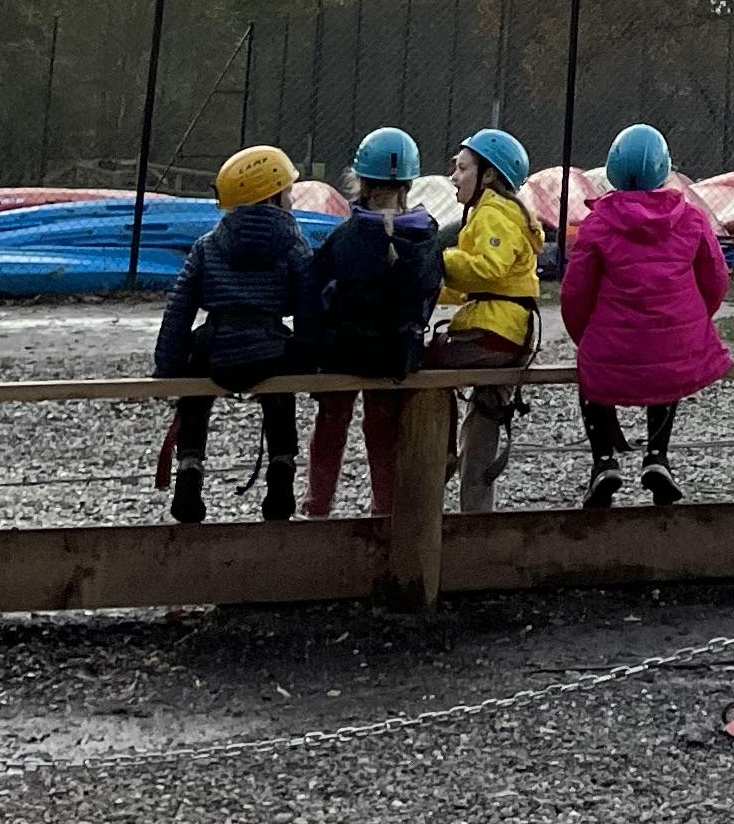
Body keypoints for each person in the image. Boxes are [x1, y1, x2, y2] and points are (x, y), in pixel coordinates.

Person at [560, 122, 731, 509]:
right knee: (668, 370)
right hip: (674, 340)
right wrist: (691, 320)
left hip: (613, 345)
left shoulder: (597, 225)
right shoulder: (691, 219)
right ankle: (657, 456)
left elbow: (575, 293)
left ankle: (604, 462)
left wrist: (585, 337)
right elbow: (717, 279)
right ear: (664, 169)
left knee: (591, 376)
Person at [154, 144, 309, 526]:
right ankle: (281, 476)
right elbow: (311, 308)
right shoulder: (294, 244)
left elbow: (179, 308)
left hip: (218, 350)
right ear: (271, 195)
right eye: (288, 191)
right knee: (281, 397)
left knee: (194, 392)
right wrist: (311, 361)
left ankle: (189, 473)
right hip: (271, 350)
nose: (292, 199)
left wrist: (168, 367)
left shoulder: (208, 245)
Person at [296, 125, 443, 519]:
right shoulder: (425, 239)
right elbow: (429, 295)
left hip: (342, 351)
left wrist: (312, 344)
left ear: (360, 181)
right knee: (383, 431)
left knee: (331, 423)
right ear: (408, 183)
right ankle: (384, 513)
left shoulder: (345, 237)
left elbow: (316, 291)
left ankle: (317, 508)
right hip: (394, 354)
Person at [425, 127, 540, 506]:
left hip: (494, 332)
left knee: (422, 365)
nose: (453, 176)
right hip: (514, 331)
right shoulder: (502, 213)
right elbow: (482, 283)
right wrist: (435, 287)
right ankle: (477, 512)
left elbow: (488, 267)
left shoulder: (493, 212)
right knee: (484, 422)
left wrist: (438, 261)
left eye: (462, 168)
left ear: (488, 175)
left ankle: (437, 456)